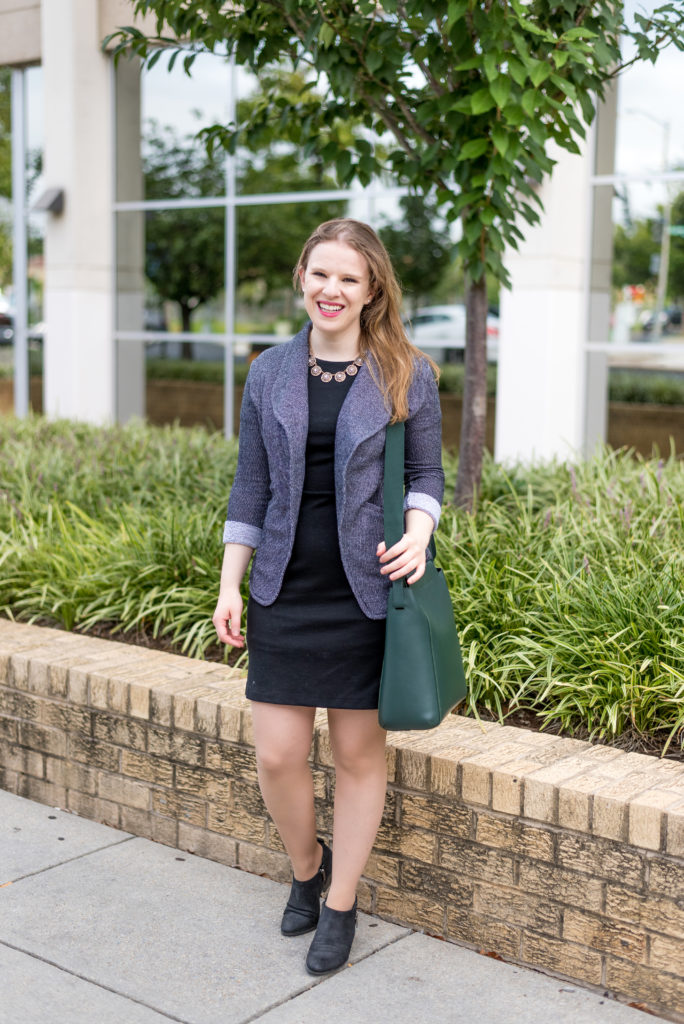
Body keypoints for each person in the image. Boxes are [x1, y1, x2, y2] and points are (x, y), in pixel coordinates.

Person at [212, 218, 444, 975]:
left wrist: (420, 532)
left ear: (372, 287)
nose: (331, 290)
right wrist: (231, 582)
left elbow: (429, 477)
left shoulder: (408, 370)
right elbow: (251, 484)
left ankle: (340, 903)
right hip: (285, 585)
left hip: (368, 592)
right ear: (300, 280)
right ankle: (306, 869)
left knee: (354, 754)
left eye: (348, 277)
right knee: (278, 754)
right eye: (320, 274)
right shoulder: (268, 371)